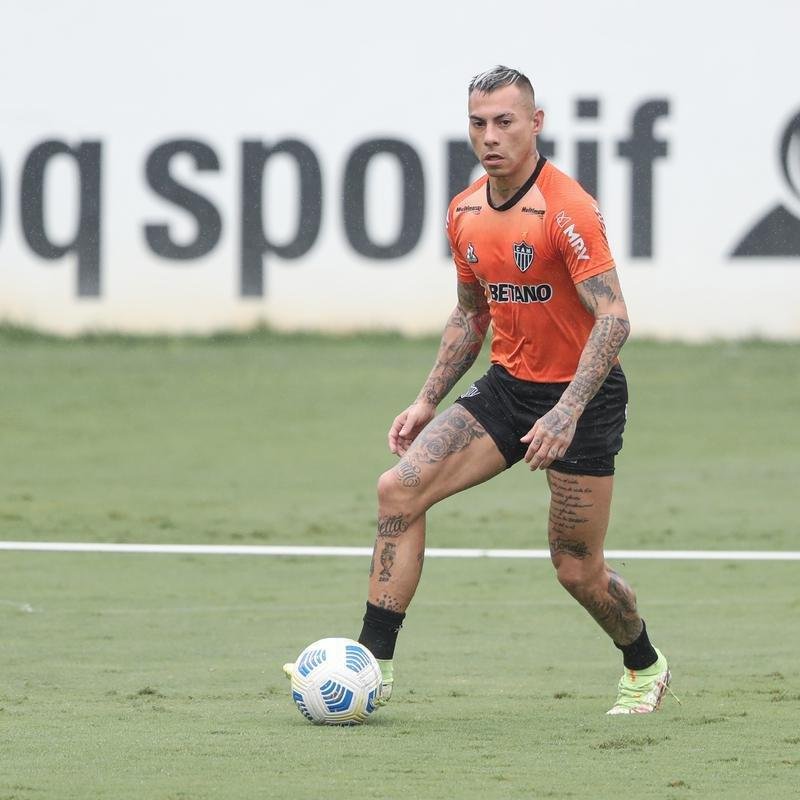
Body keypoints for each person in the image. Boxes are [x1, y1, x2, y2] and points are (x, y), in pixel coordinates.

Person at [289, 65, 672, 715]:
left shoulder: (567, 209)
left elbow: (614, 318)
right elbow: (471, 315)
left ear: (535, 123)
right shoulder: (465, 211)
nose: (490, 136)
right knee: (399, 488)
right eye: (478, 123)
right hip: (508, 388)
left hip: (583, 398)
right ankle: (370, 665)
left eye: (504, 122)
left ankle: (644, 663)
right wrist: (426, 399)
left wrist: (567, 412)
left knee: (576, 568)